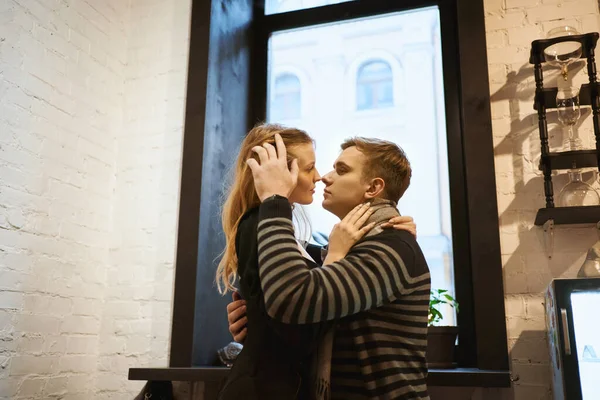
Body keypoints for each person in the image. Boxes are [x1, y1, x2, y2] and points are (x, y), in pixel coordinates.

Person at [215, 123, 415, 400]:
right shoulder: (261, 226)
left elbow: (301, 295)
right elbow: (295, 304)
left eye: (340, 170)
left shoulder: (388, 247)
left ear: (374, 187)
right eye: (310, 168)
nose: (322, 177)